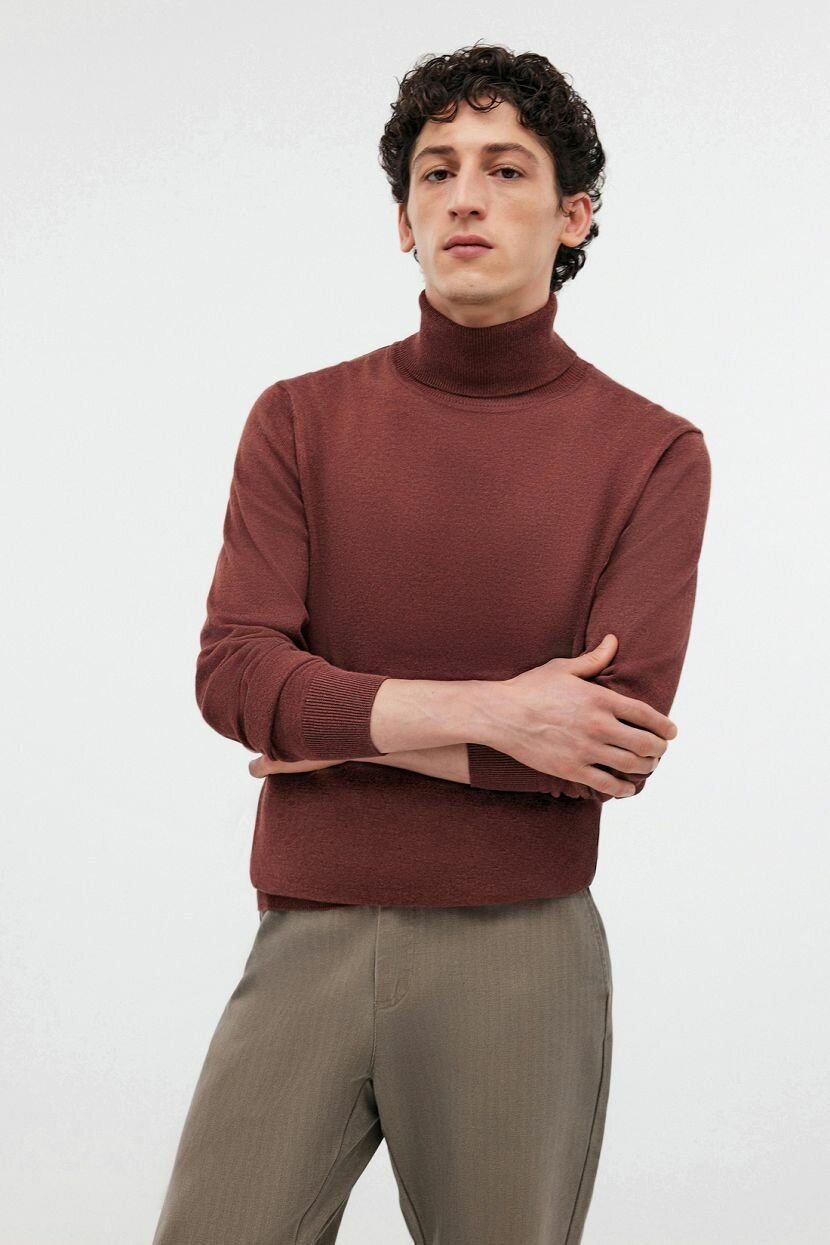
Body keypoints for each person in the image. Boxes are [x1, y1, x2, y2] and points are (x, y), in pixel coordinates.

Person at [151, 42, 711, 1245]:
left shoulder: (650, 452)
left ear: (572, 215)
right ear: (402, 221)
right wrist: (494, 711)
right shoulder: (298, 421)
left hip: (520, 951)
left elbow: (605, 748)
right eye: (435, 171)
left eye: (505, 170)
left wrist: (330, 734)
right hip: (305, 930)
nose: (464, 196)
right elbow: (234, 674)